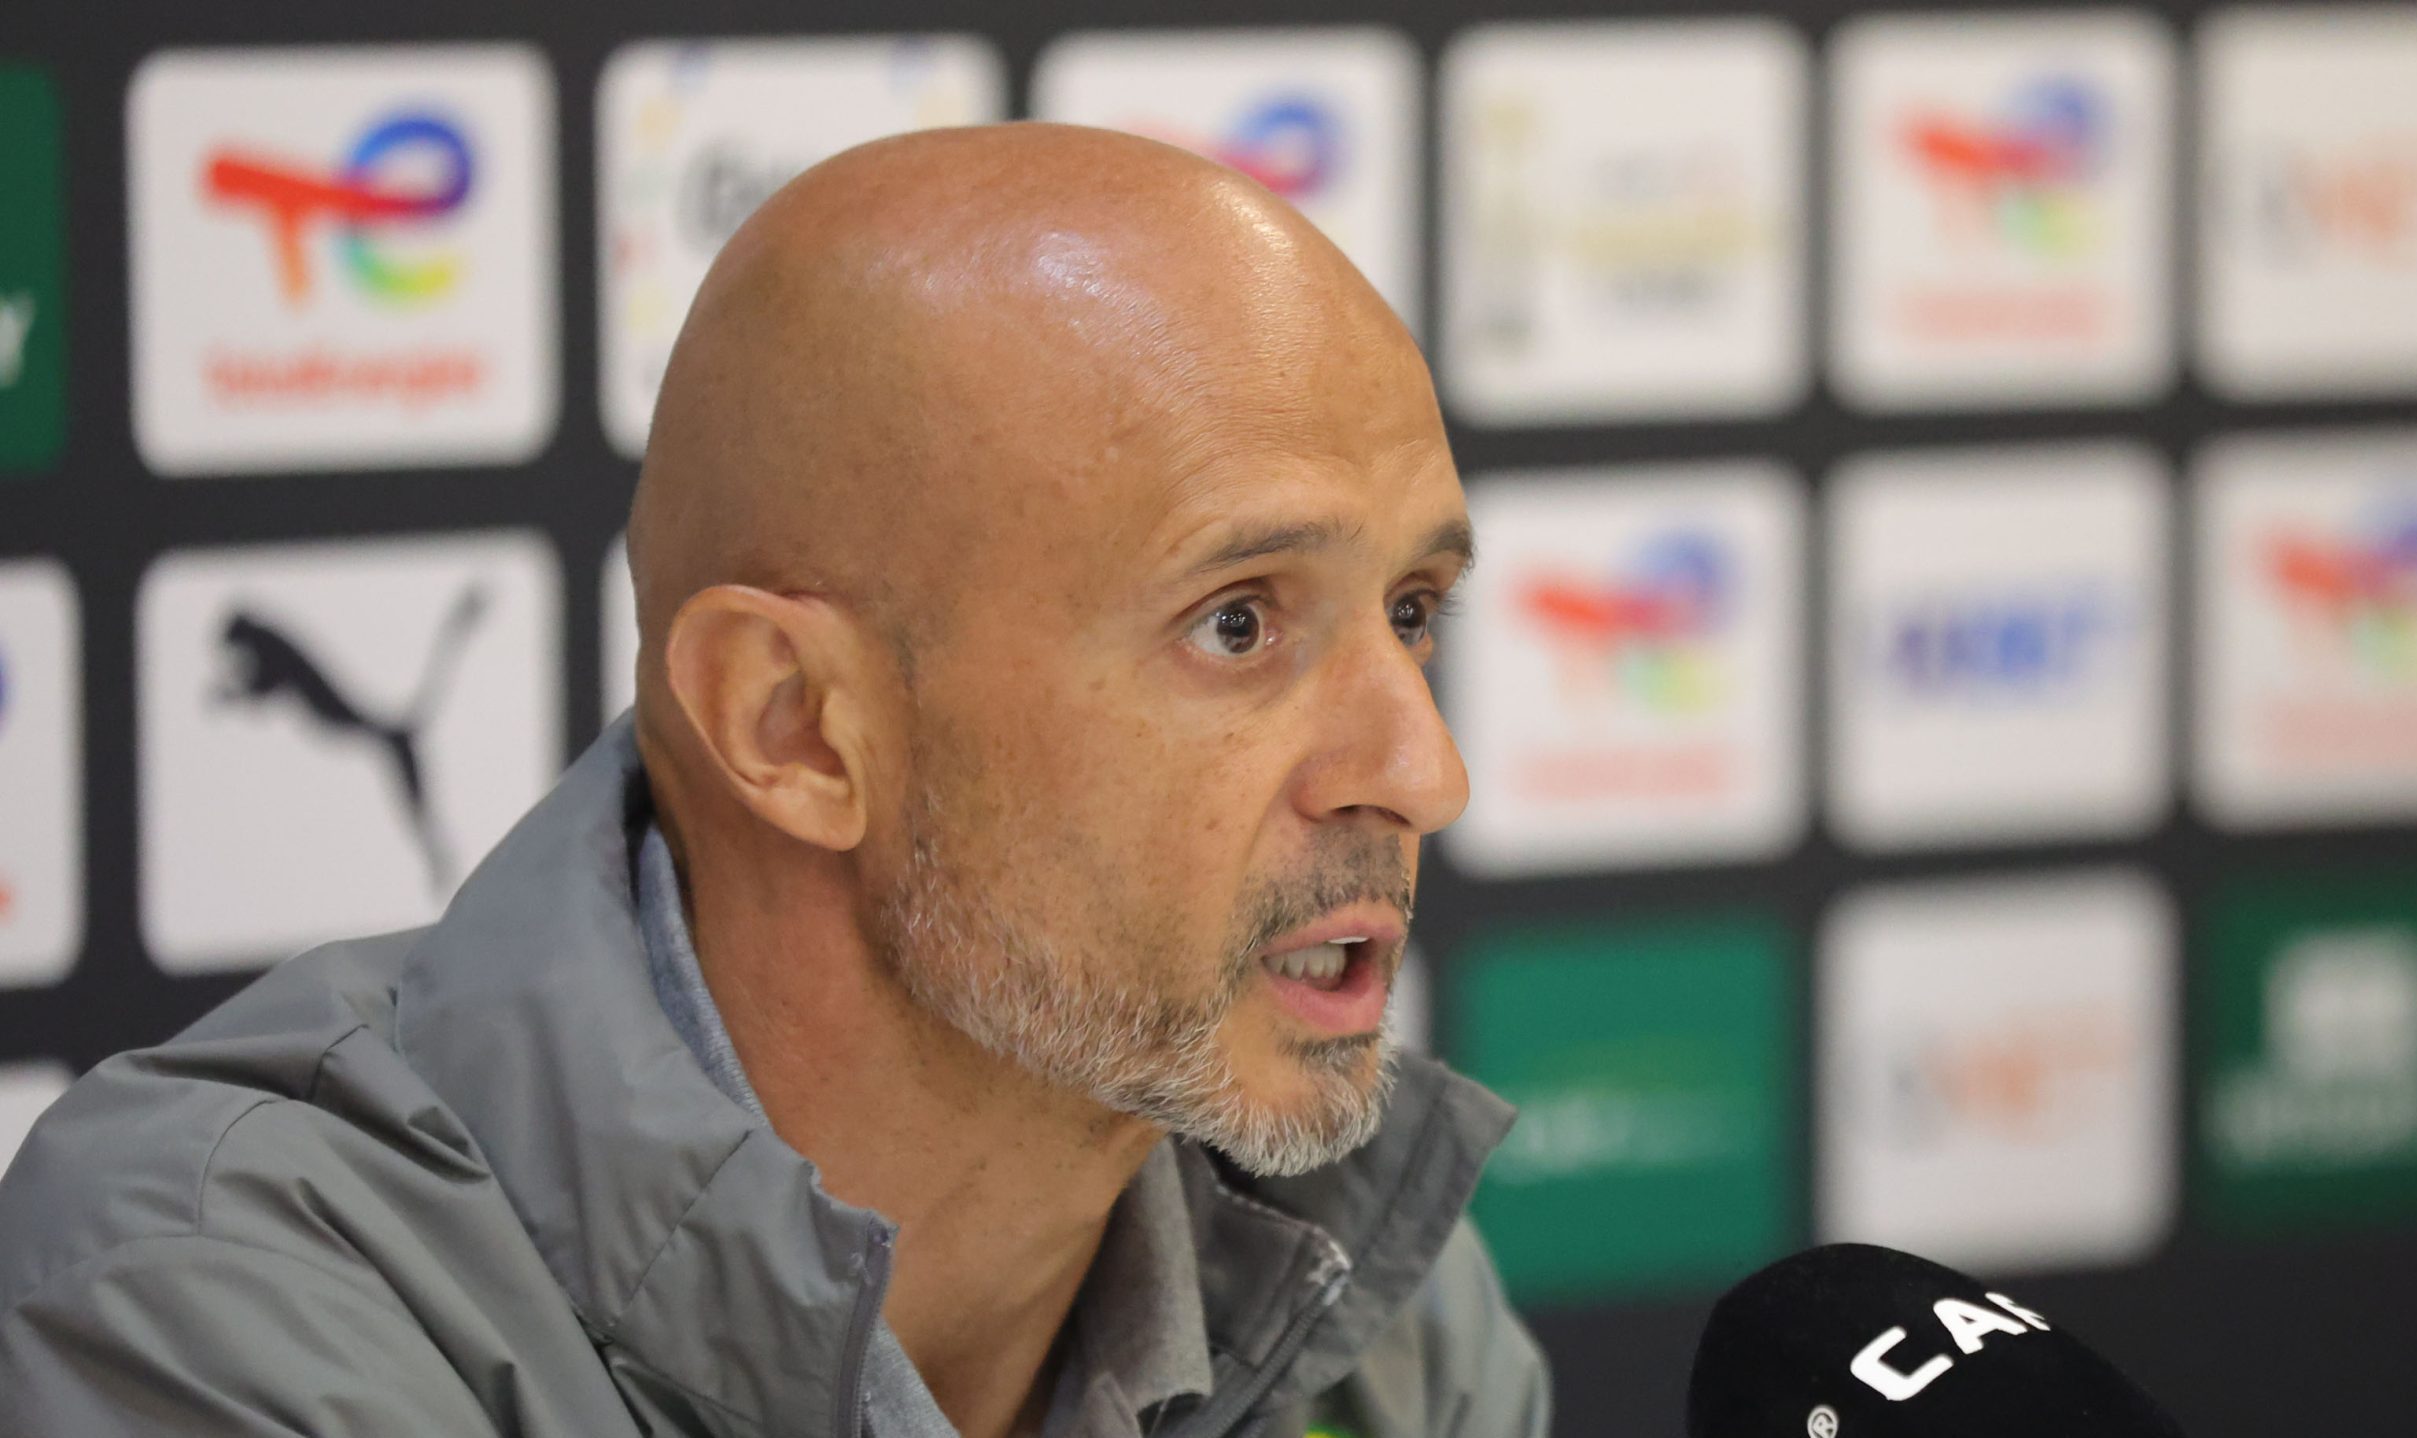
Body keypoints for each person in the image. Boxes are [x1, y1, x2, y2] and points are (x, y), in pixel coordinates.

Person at [0, 124, 1547, 1438]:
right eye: (1238, 623)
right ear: (793, 726)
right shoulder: (218, 1306)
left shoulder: (1358, 1286)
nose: (1425, 770)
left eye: (1414, 610)